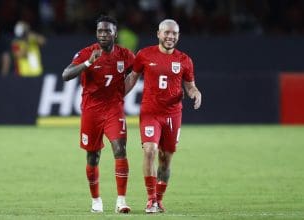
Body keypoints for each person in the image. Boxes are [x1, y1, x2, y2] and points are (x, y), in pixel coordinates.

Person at [125, 19, 202, 213]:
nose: (170, 36)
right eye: (166, 32)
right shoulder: (144, 55)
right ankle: (150, 199)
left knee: (165, 159)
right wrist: (117, 97)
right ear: (158, 34)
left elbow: (190, 86)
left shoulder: (184, 60)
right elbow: (132, 78)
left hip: (172, 115)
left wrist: (196, 93)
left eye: (174, 33)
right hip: (150, 112)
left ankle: (159, 199)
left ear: (178, 36)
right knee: (149, 150)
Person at [62, 15, 135, 213]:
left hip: (114, 109)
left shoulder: (125, 55)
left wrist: (124, 91)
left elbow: (137, 71)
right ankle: (96, 201)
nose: (103, 34)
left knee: (120, 149)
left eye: (107, 31)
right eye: (100, 31)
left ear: (115, 34)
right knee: (93, 157)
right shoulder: (87, 53)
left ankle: (121, 201)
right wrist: (87, 64)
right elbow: (66, 75)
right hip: (91, 111)